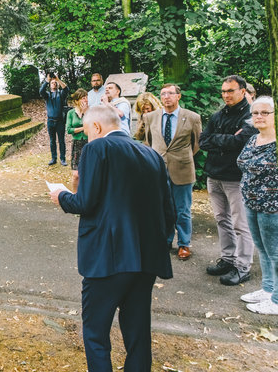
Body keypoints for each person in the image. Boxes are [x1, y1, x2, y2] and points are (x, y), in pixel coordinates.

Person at [50, 106, 173, 372]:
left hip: (107, 257)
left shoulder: (97, 149)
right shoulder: (151, 154)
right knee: (138, 332)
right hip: (146, 258)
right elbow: (168, 211)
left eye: (85, 130)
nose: (86, 136)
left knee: (95, 332)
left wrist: (61, 195)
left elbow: (85, 202)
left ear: (96, 127)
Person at [200, 75, 256, 286]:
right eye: (223, 91)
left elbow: (242, 142)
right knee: (221, 219)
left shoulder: (250, 116)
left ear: (242, 91)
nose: (226, 95)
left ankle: (243, 266)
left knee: (240, 224)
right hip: (214, 175)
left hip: (235, 177)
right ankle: (228, 259)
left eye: (230, 91)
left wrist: (219, 140)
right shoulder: (217, 115)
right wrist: (227, 140)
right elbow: (203, 140)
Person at [237, 96, 278, 315]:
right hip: (251, 202)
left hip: (272, 207)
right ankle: (268, 290)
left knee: (276, 253)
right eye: (255, 112)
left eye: (265, 113)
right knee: (262, 249)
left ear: (276, 116)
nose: (258, 116)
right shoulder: (254, 139)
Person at [142, 84, 202, 260]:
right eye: (163, 94)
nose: (166, 97)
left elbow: (197, 144)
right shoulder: (151, 117)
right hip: (158, 169)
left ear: (178, 96)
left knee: (182, 209)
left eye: (170, 93)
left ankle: (184, 244)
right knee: (161, 208)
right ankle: (165, 241)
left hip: (182, 168)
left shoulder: (192, 117)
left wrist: (182, 157)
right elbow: (149, 142)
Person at [40, 73, 70, 166]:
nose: (54, 84)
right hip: (50, 121)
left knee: (61, 140)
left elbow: (66, 89)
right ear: (49, 85)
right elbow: (41, 91)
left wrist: (58, 79)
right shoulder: (47, 95)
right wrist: (47, 80)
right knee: (52, 141)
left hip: (60, 121)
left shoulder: (61, 94)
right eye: (52, 83)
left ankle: (63, 159)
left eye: (55, 83)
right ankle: (54, 158)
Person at [66, 88, 88, 192]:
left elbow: (92, 126)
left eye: (86, 97)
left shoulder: (90, 111)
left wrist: (85, 112)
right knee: (76, 175)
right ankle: (74, 195)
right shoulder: (70, 113)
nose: (86, 100)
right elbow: (69, 130)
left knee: (87, 172)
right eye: (83, 98)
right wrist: (83, 128)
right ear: (77, 100)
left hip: (88, 143)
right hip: (76, 144)